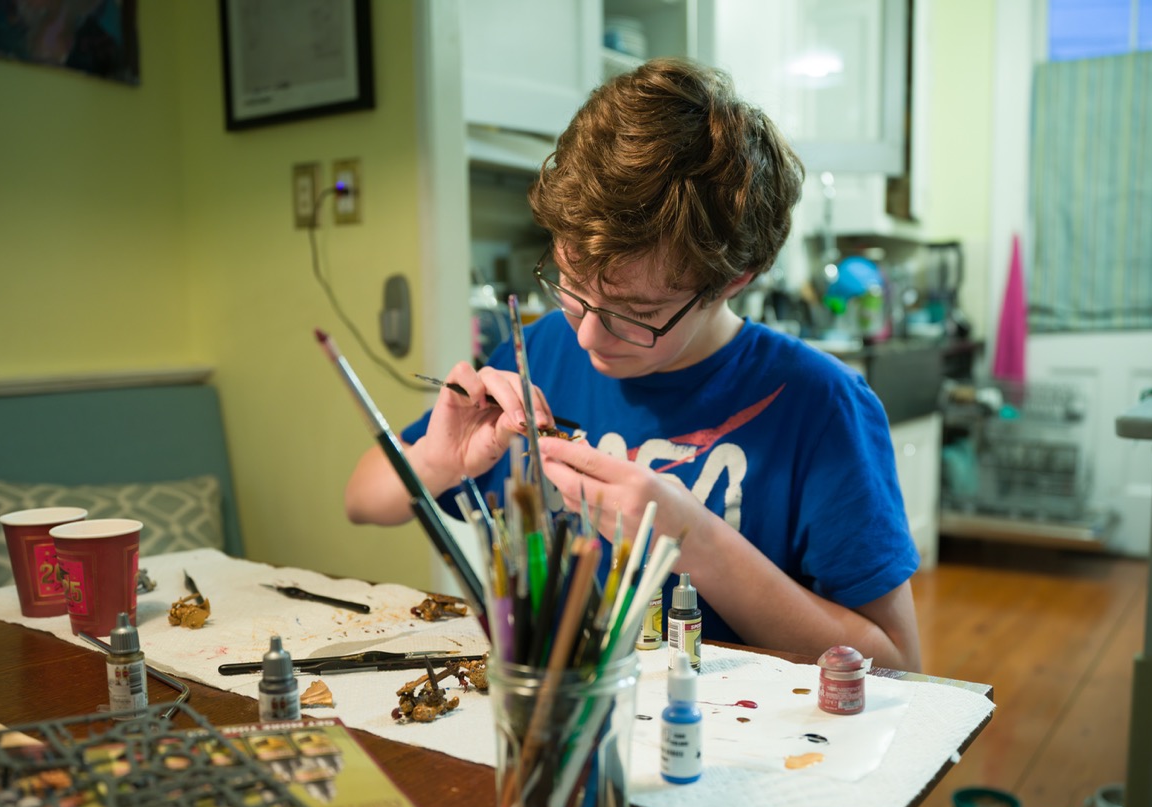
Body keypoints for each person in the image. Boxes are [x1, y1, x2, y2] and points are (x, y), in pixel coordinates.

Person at [346, 58, 922, 672]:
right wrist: (437, 461)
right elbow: (363, 501)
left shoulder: (819, 405)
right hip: (555, 731)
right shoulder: (538, 351)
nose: (590, 333)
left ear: (733, 281)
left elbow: (899, 668)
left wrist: (692, 540)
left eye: (637, 312)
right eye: (569, 285)